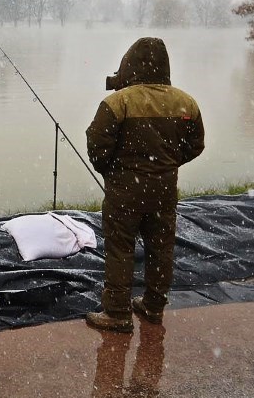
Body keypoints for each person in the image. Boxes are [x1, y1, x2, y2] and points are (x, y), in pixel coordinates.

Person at [84, 37, 204, 332]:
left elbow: (97, 146)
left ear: (128, 65)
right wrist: (165, 166)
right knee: (161, 247)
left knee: (120, 248)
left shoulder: (117, 102)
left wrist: (114, 171)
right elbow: (195, 146)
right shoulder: (186, 102)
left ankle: (117, 312)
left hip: (125, 191)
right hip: (164, 191)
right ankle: (153, 306)